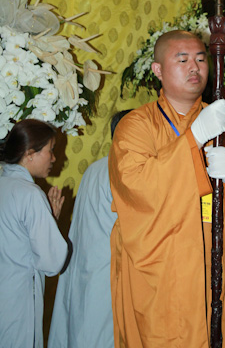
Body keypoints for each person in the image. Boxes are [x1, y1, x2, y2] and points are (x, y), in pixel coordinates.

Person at [109, 30, 225, 348]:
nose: (194, 67)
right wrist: (194, 139)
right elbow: (135, 187)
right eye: (182, 59)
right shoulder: (137, 126)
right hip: (165, 269)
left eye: (201, 59)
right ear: (158, 70)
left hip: (223, 260)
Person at [48, 110, 131, 348]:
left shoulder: (96, 167)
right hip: (106, 271)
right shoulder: (123, 170)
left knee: (79, 327)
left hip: (86, 264)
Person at [0, 119, 69, 348]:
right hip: (19, 302)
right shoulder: (30, 194)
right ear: (30, 154)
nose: (54, 158)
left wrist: (48, 221)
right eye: (50, 150)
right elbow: (51, 263)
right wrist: (52, 226)